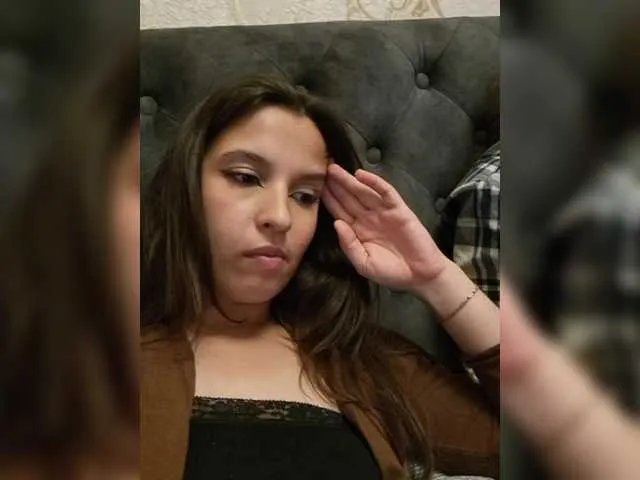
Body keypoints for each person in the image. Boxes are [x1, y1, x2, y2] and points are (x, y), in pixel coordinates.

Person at [141, 75, 500, 480]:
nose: (280, 217)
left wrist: (437, 276)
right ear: (185, 185)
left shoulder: (363, 362)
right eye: (246, 177)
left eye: (305, 196)